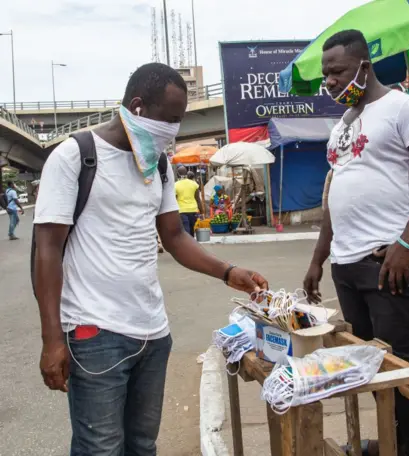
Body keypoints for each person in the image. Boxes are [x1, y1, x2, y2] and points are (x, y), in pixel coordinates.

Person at [33, 63, 268, 456]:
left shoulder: (156, 164)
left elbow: (174, 236)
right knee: (100, 449)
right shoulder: (75, 156)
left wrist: (228, 272)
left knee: (143, 445)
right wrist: (51, 339)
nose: (174, 131)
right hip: (95, 333)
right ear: (138, 107)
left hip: (153, 334)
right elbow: (47, 249)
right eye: (170, 120)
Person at [303, 30, 409, 456]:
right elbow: (336, 194)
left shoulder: (403, 107)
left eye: (337, 72)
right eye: (326, 75)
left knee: (400, 365)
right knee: (370, 365)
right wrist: (319, 259)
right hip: (348, 266)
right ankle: (394, 441)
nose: (330, 82)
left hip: (387, 260)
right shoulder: (342, 126)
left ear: (363, 66)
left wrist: (406, 244)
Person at [175, 165, 203, 235]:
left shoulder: (175, 185)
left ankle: (188, 244)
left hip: (182, 210)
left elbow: (174, 200)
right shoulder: (194, 184)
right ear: (187, 173)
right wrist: (202, 211)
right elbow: (198, 199)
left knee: (186, 230)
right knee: (191, 229)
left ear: (177, 174)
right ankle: (191, 243)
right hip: (193, 210)